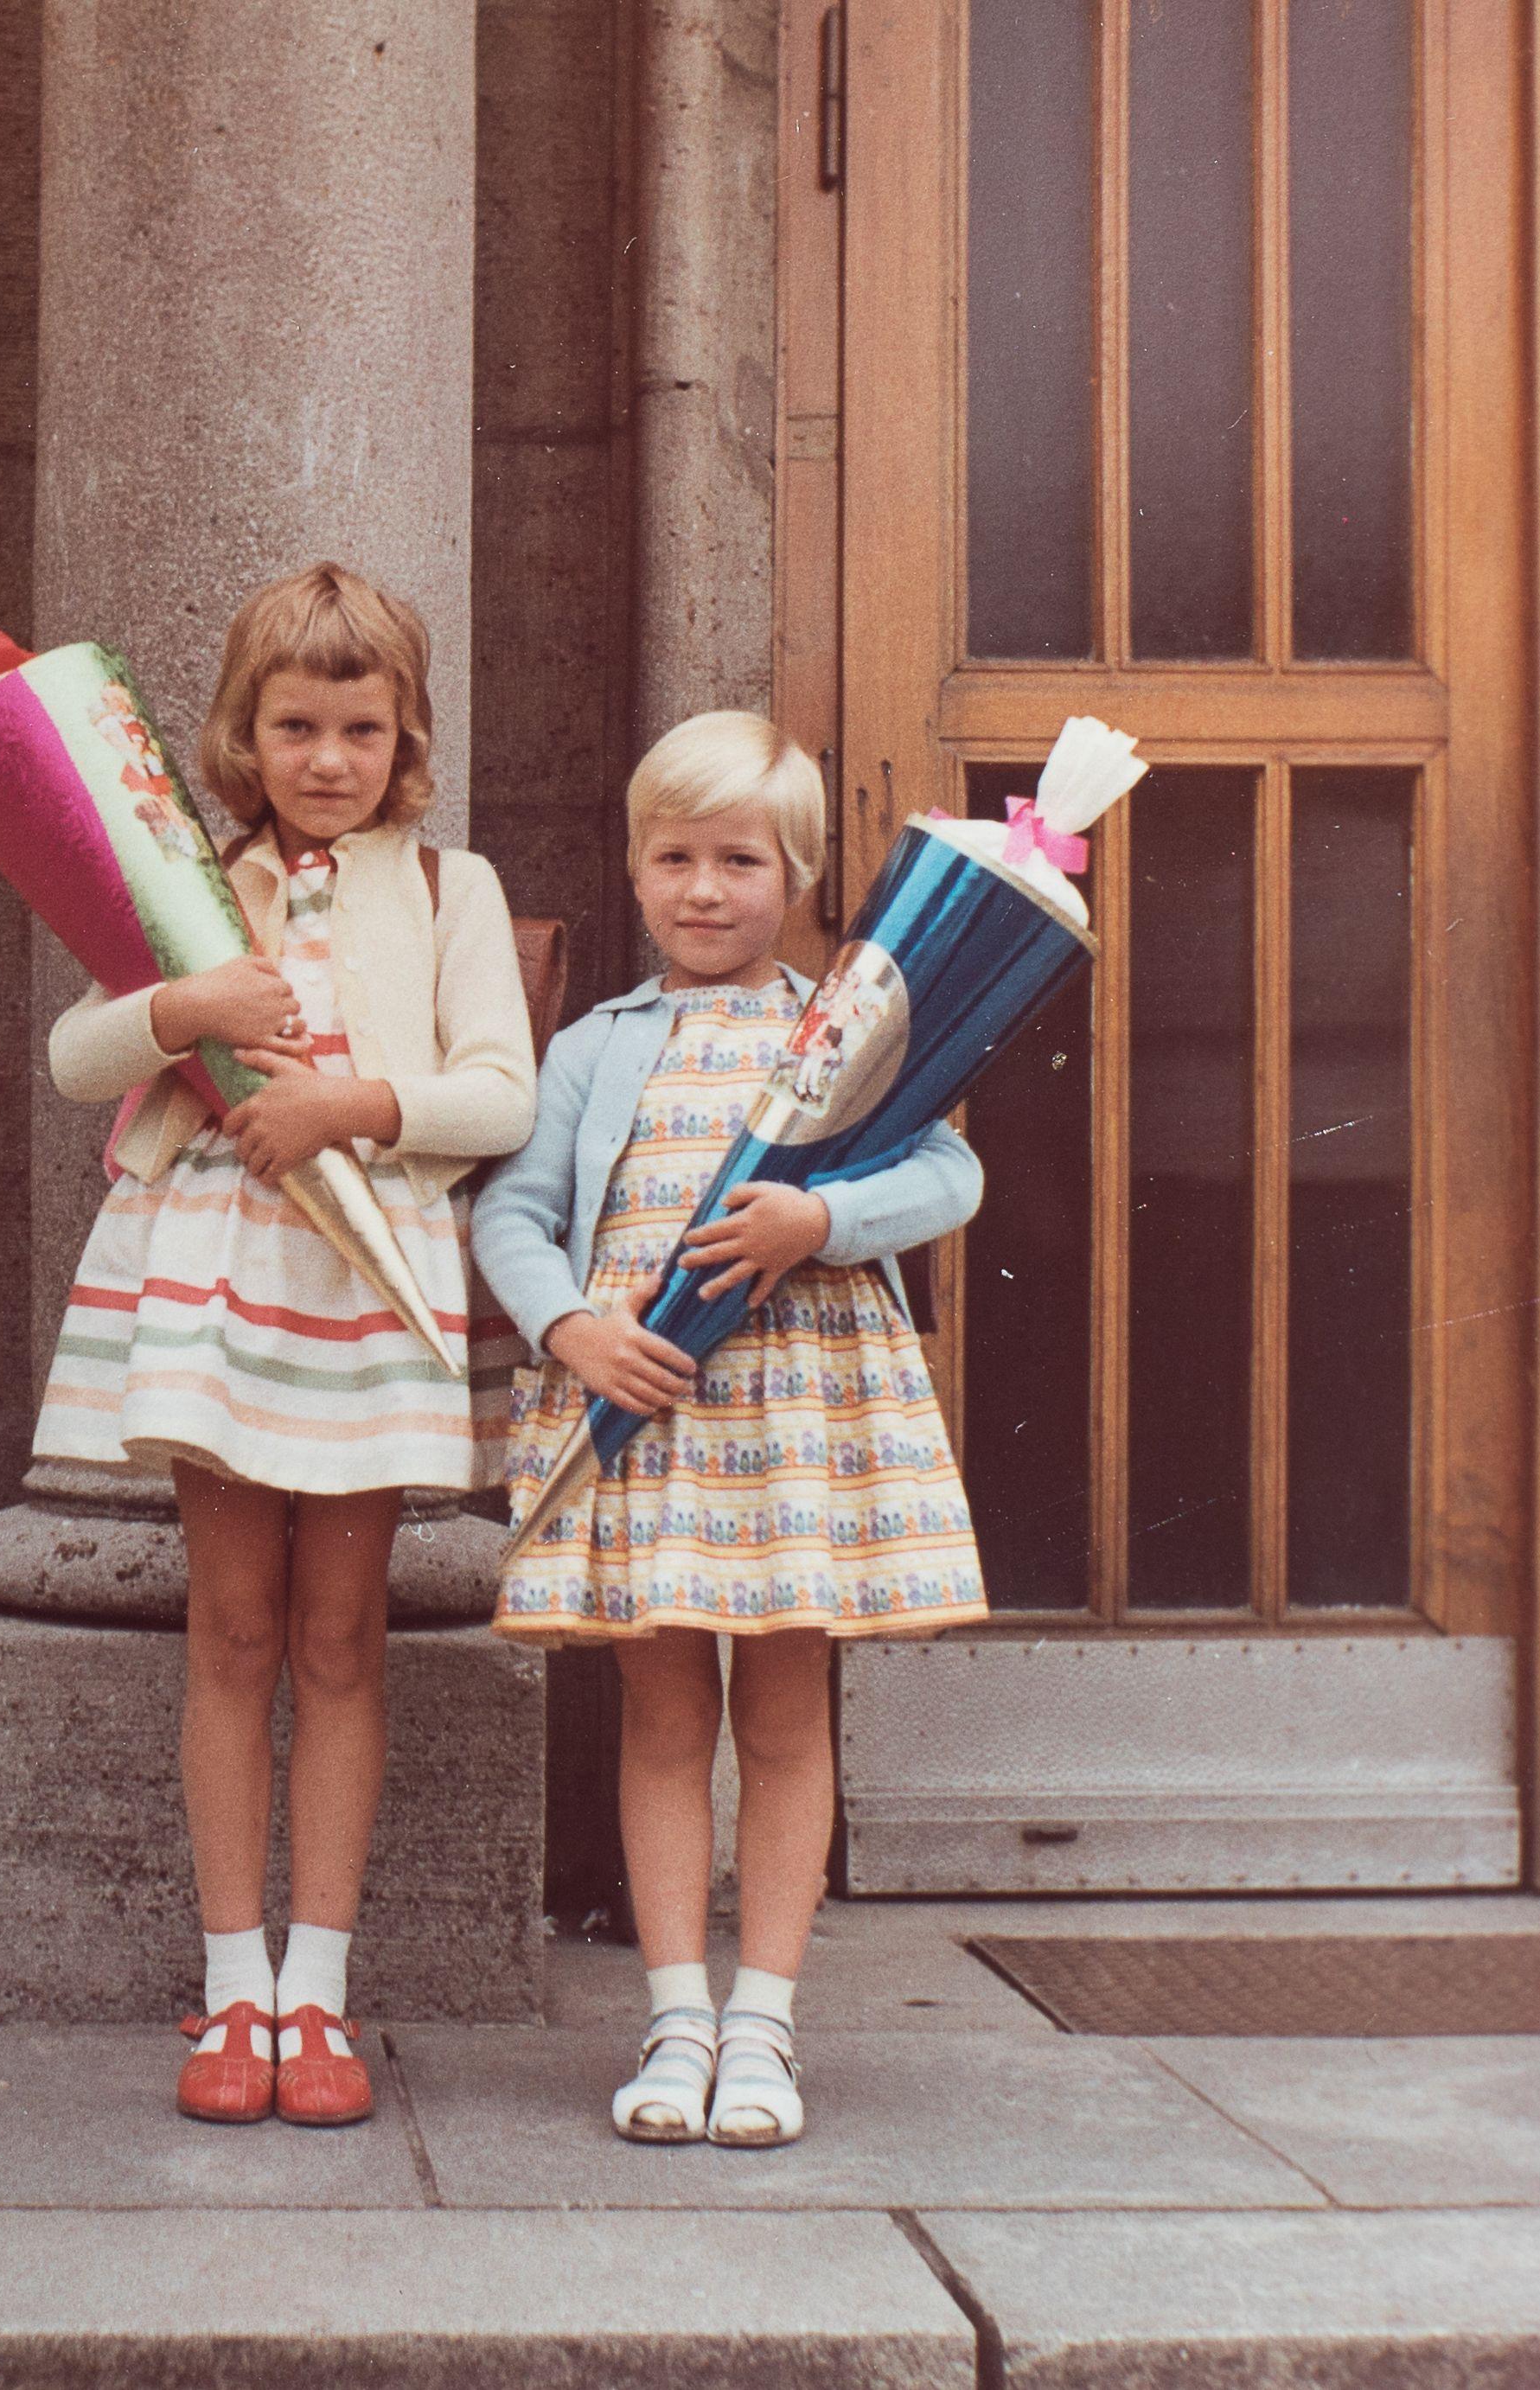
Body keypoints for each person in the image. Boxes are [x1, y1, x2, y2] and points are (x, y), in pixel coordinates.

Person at [33, 562, 535, 2127]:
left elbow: (501, 1094)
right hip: (218, 1279)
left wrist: (356, 1105)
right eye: (297, 725)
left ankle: (319, 1994)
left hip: (368, 1278)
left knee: (343, 1639)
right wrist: (186, 1002)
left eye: (362, 729)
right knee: (232, 1631)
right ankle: (231, 1986)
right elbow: (73, 1058)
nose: (329, 758)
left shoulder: (452, 893)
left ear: (408, 737)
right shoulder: (191, 880)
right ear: (245, 735)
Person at [472, 712, 987, 2148]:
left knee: (780, 1715)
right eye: (676, 857)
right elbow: (512, 1214)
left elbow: (949, 1176)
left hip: (798, 1409)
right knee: (660, 1718)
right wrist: (571, 1329)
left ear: (801, 874)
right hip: (649, 1412)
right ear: (636, 872)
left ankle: (764, 2023)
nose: (706, 890)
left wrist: (822, 1217)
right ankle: (673, 2014)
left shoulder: (848, 1031)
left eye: (740, 860)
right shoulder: (594, 1045)